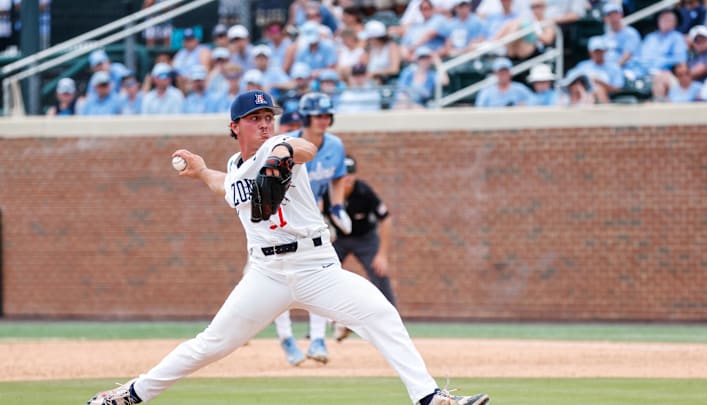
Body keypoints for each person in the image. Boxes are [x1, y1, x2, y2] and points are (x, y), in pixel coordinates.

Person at [83, 89, 493, 405]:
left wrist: (280, 149)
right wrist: (201, 170)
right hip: (265, 275)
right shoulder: (234, 166)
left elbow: (305, 149)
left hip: (317, 268)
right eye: (255, 118)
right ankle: (128, 395)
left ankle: (429, 397)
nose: (264, 123)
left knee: (381, 315)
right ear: (234, 126)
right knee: (210, 344)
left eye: (268, 117)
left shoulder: (279, 147)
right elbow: (225, 185)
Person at [273, 92, 352, 367]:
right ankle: (286, 338)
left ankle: (318, 338)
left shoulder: (335, 145)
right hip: (279, 218)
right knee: (276, 280)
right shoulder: (286, 144)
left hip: (313, 218)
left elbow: (338, 177)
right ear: (306, 117)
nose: (323, 121)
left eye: (326, 115)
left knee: (321, 272)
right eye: (318, 116)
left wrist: (338, 207)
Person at [321, 155, 397, 308]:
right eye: (343, 173)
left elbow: (386, 218)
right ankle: (326, 323)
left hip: (365, 238)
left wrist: (382, 254)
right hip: (337, 239)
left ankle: (391, 317)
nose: (347, 177)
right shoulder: (326, 191)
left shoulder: (364, 191)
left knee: (379, 271)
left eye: (351, 173)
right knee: (322, 273)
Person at [565, 36, 625, 103]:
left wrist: (601, 83)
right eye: (595, 51)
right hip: (582, 94)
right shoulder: (582, 66)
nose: (598, 53)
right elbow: (569, 80)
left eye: (600, 51)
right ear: (590, 52)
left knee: (598, 89)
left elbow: (618, 89)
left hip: (604, 96)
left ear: (604, 51)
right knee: (575, 88)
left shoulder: (614, 67)